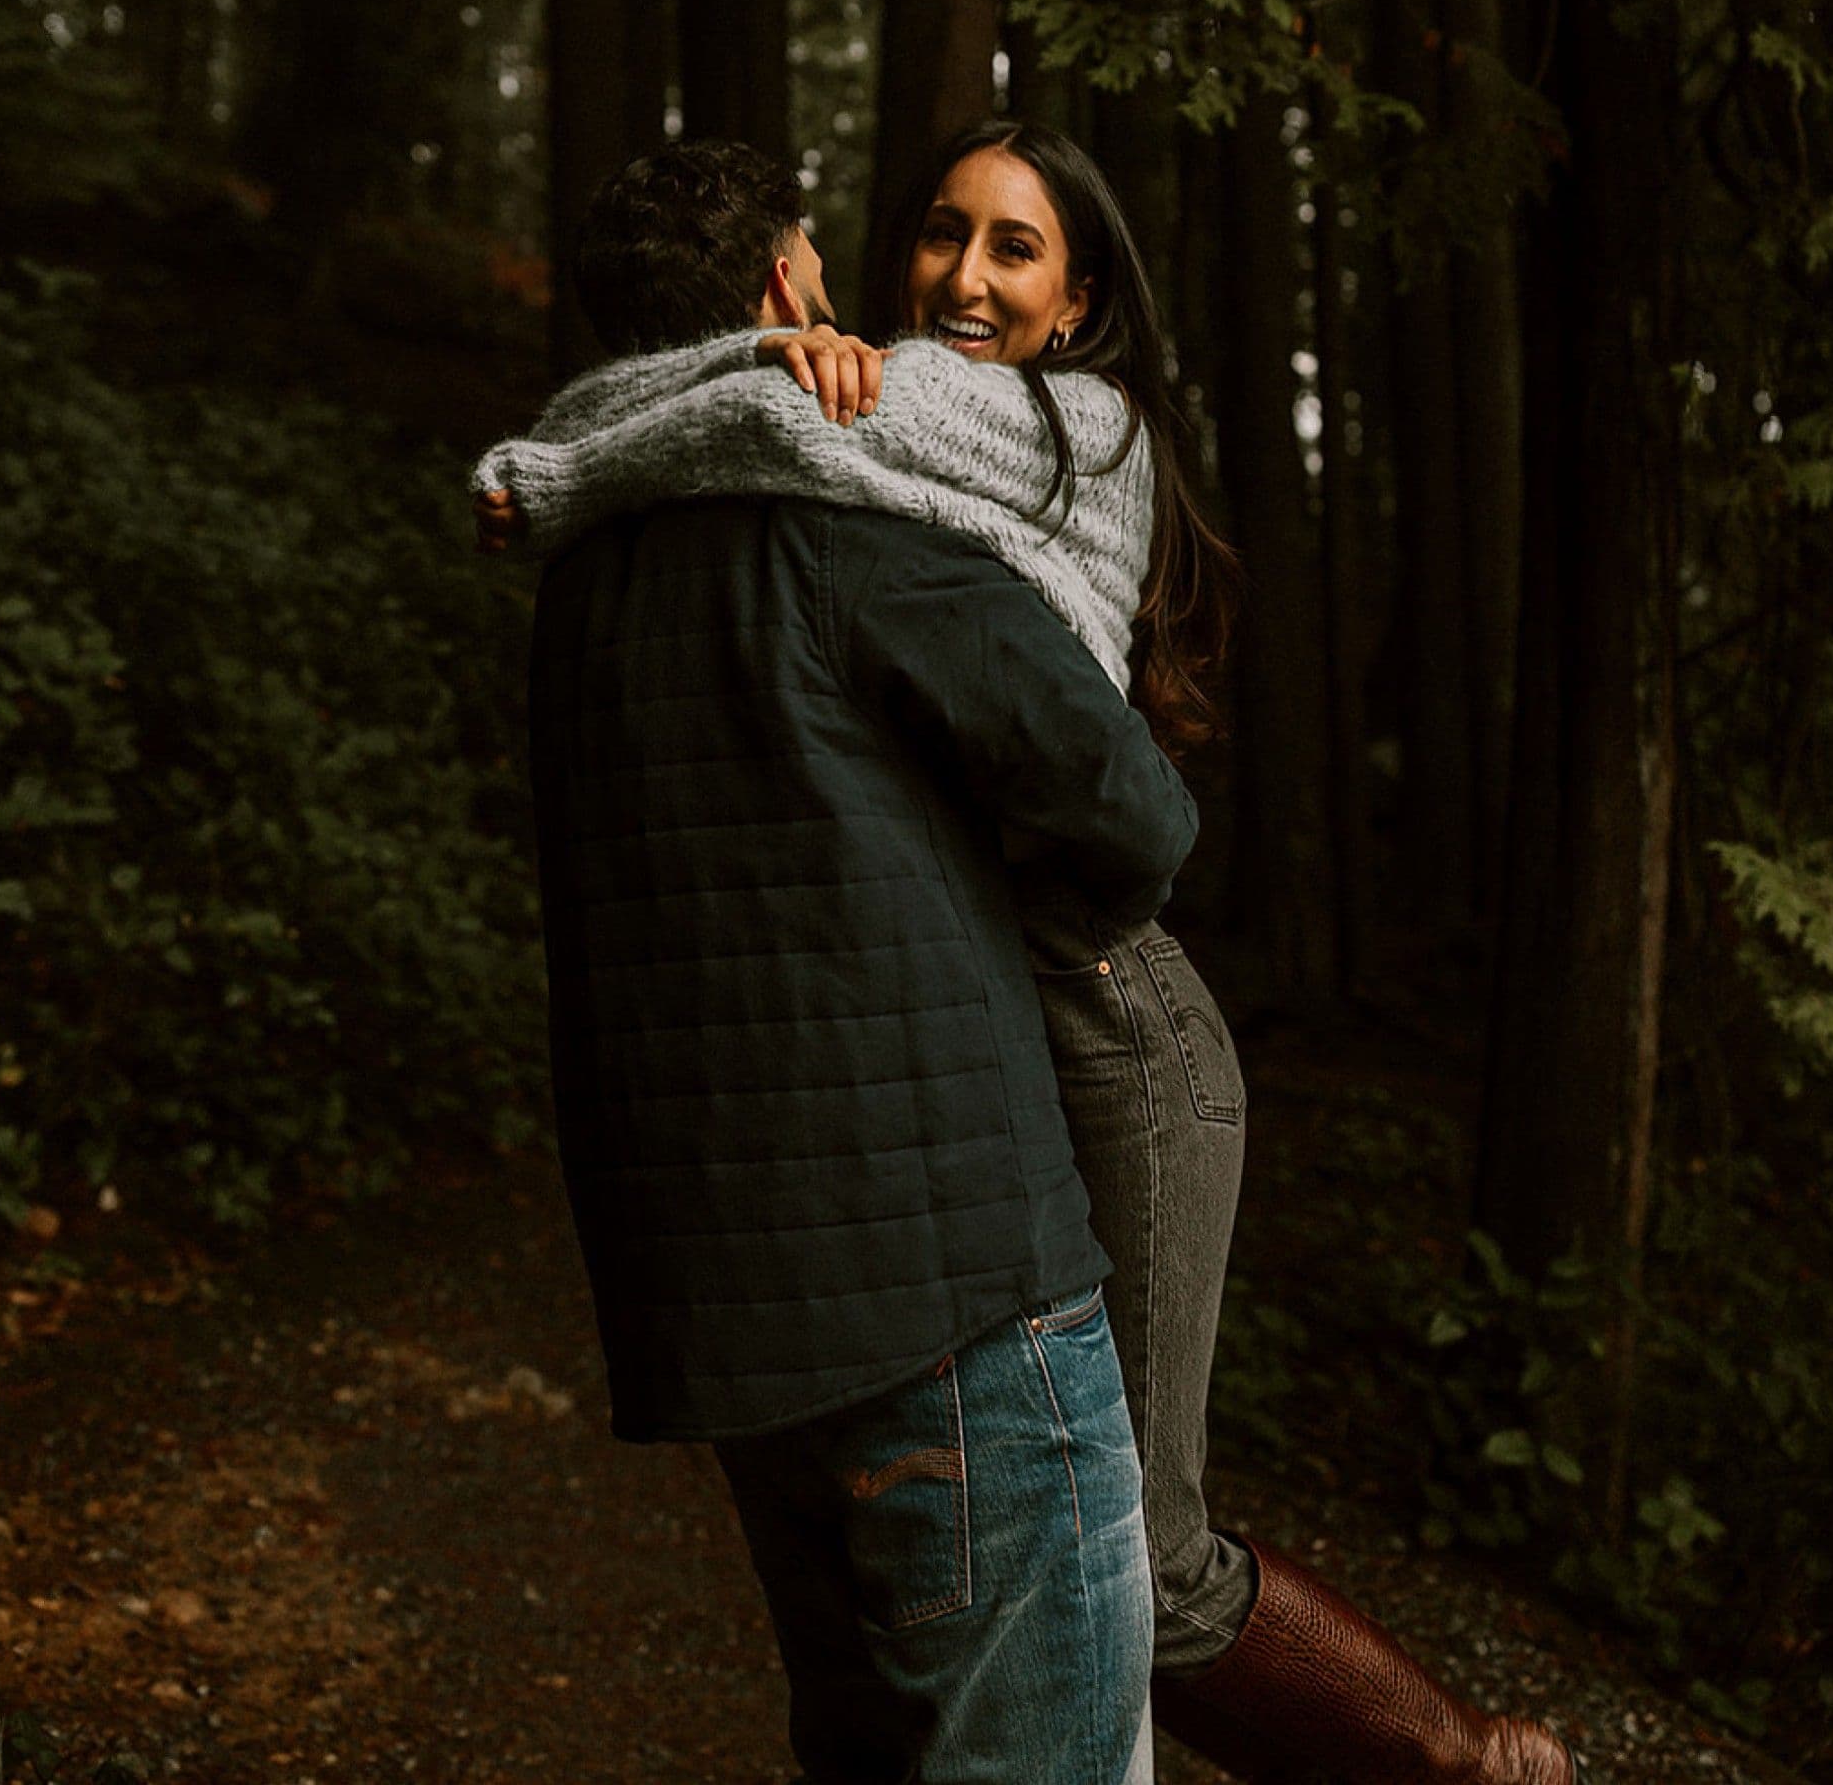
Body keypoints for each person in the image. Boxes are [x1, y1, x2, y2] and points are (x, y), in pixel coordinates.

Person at [478, 122, 1584, 1785]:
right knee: (1097, 1591)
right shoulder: (835, 482)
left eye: (1015, 248)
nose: (951, 279)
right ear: (794, 277)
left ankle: (1461, 1762)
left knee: (1110, 1575)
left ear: (1078, 301)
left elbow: (1109, 818)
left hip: (1017, 1071)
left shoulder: (697, 525)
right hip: (955, 1180)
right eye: (931, 236)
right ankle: (1458, 1763)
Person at [499, 138, 1183, 1785]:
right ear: (795, 284)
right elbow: (1135, 812)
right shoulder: (841, 515)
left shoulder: (576, 561)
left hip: (733, 1318)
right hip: (953, 1294)